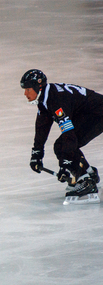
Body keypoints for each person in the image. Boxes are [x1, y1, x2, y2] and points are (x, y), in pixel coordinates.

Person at [21, 69, 103, 203]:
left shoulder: (57, 101)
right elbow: (41, 129)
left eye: (28, 89)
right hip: (89, 113)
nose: (25, 93)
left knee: (63, 146)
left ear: (38, 87)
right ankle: (88, 174)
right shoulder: (45, 99)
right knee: (64, 145)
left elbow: (69, 135)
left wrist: (64, 165)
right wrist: (36, 154)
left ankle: (85, 181)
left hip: (97, 114)